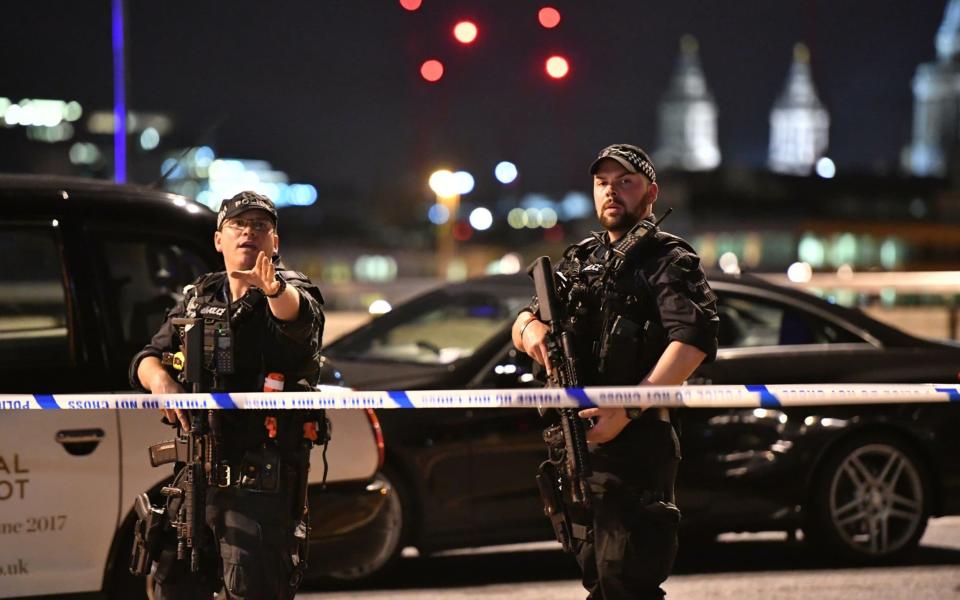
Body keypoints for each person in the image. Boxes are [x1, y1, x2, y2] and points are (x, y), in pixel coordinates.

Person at [512, 144, 719, 600]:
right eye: (603, 183)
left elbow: (693, 340)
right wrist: (534, 335)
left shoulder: (666, 257)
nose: (612, 192)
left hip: (635, 443)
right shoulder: (580, 259)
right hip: (575, 445)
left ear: (650, 192)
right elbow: (523, 320)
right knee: (601, 579)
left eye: (625, 182)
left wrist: (626, 408)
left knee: (627, 581)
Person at [129, 191, 325, 600]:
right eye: (238, 225)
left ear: (275, 242)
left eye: (260, 226)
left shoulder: (289, 291)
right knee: (174, 584)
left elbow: (299, 322)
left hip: (258, 485)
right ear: (219, 240)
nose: (248, 233)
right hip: (196, 477)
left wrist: (273, 292)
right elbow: (147, 357)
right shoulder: (201, 295)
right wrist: (163, 382)